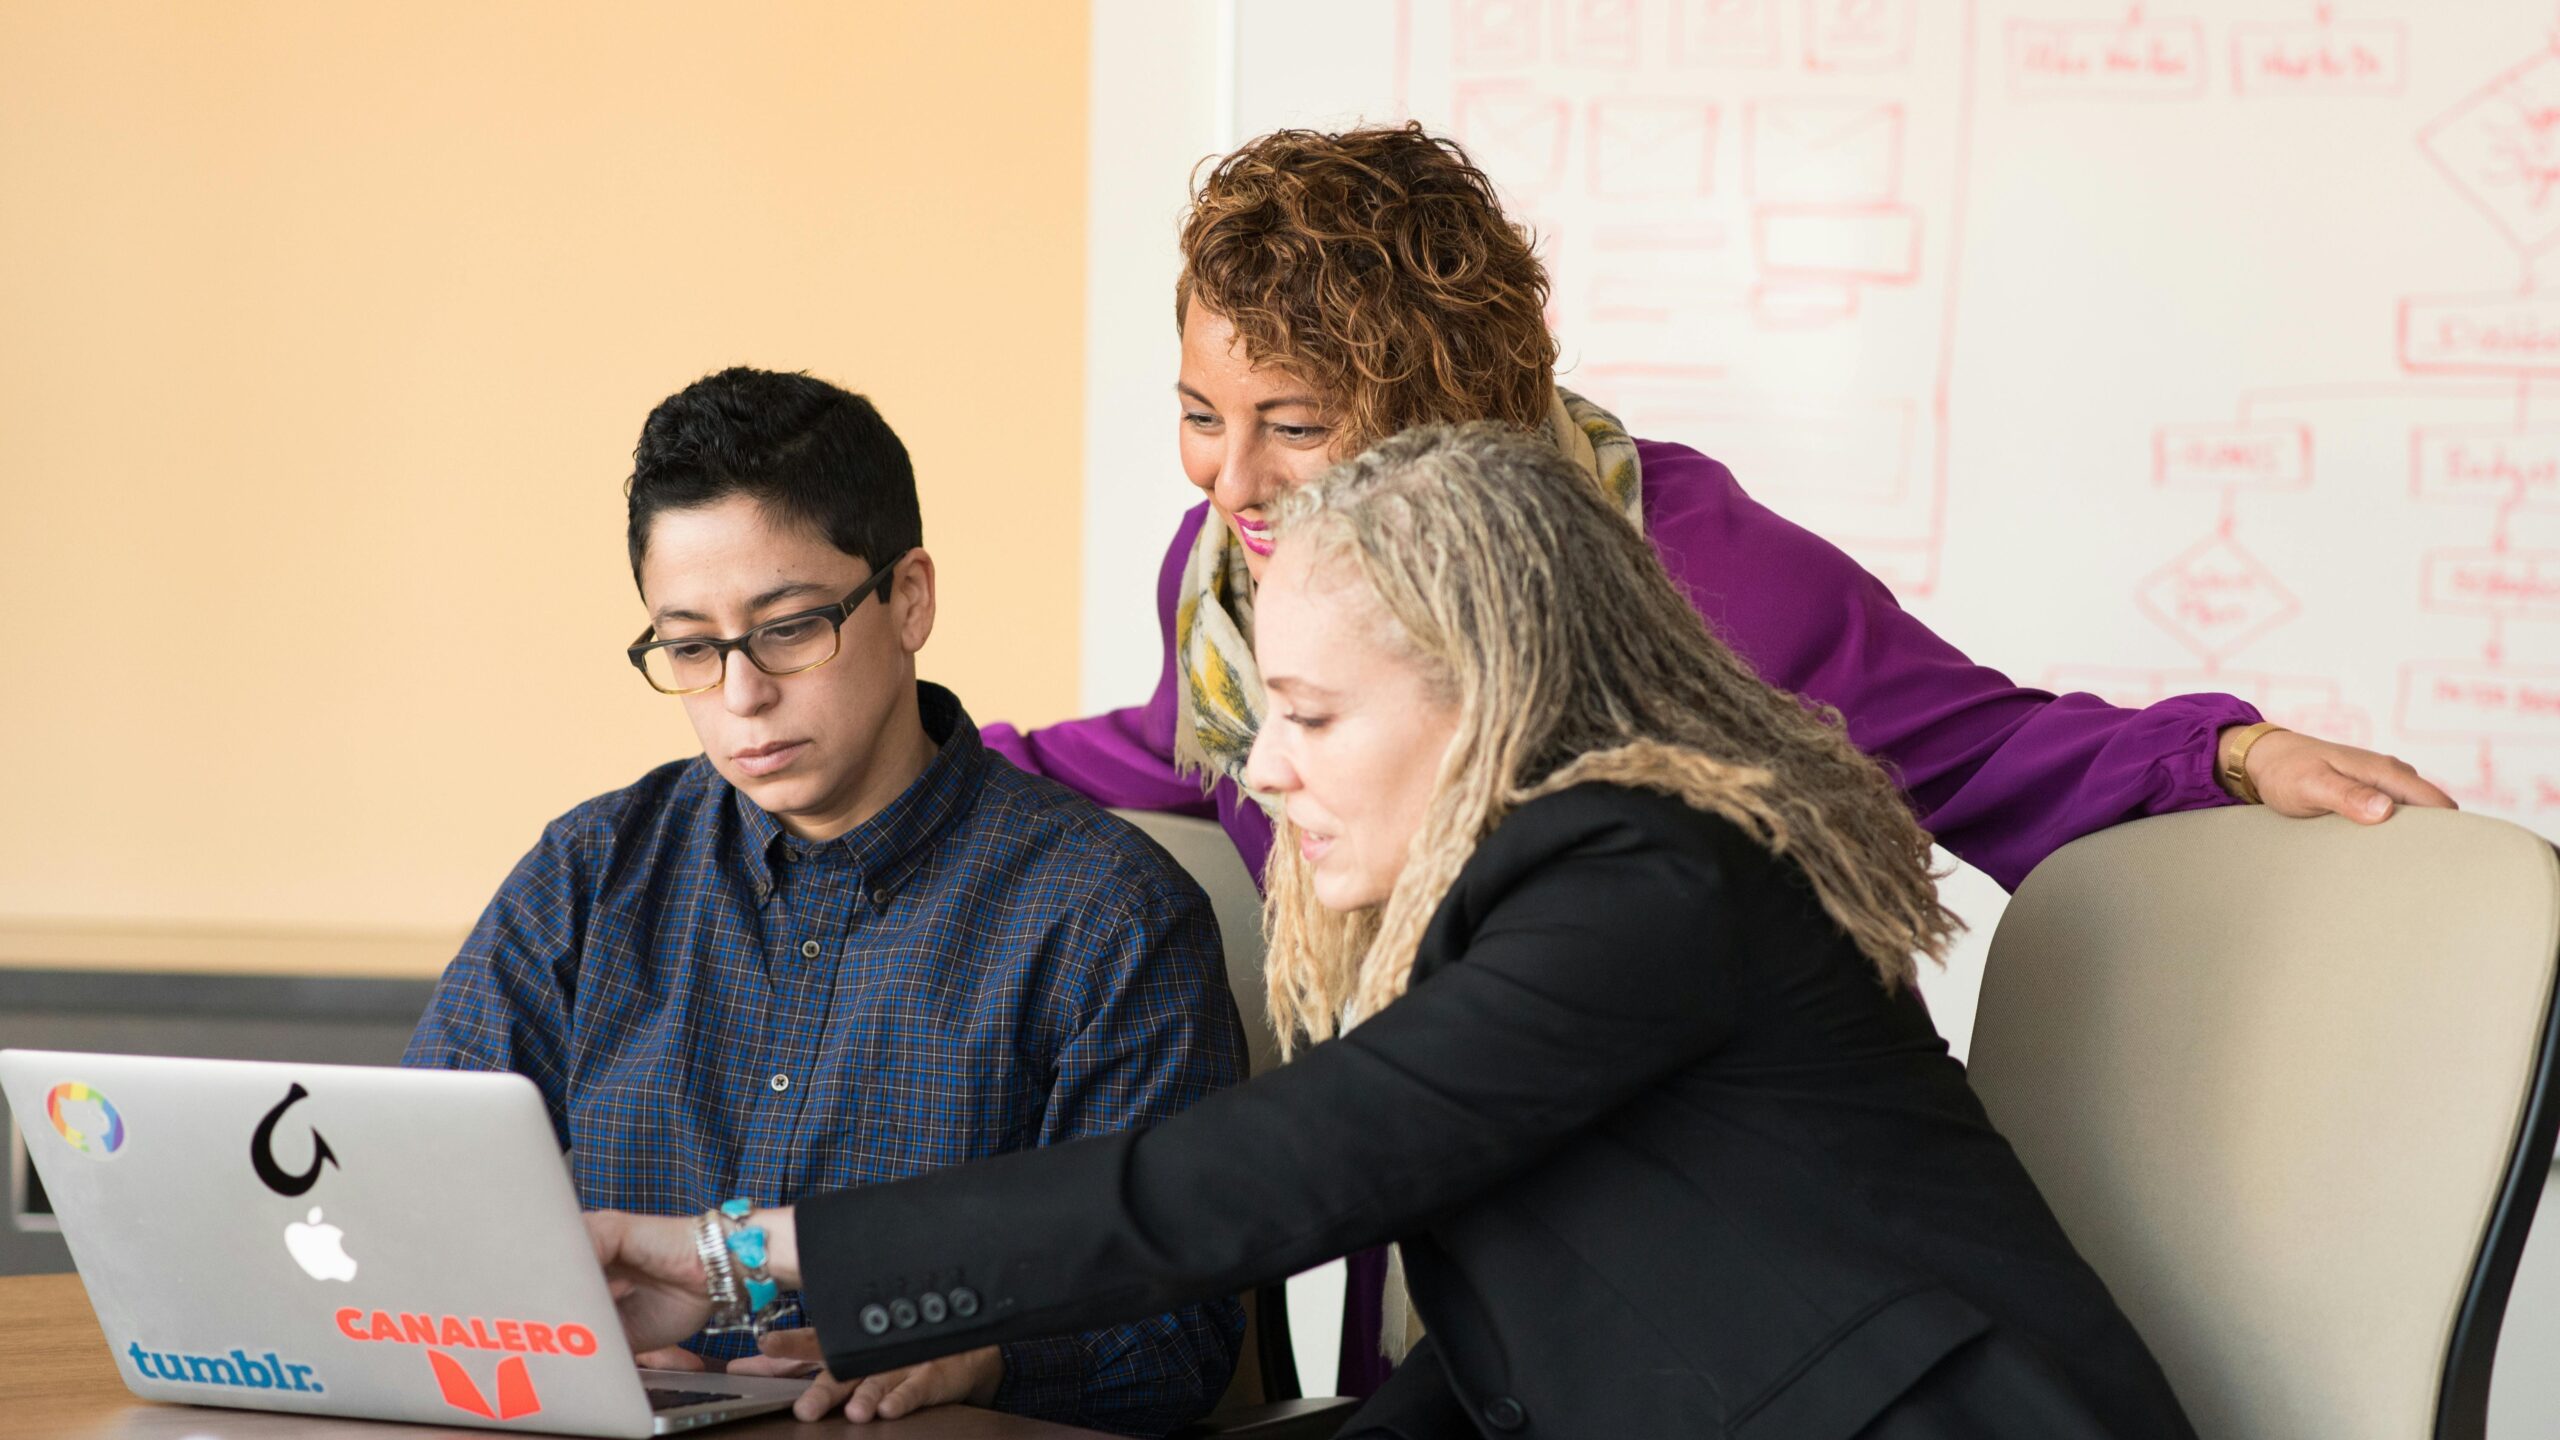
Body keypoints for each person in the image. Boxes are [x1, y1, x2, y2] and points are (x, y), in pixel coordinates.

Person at [976, 124, 2454, 1389]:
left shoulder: (1697, 566)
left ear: (1440, 411)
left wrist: (2233, 756)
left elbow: (1979, 747)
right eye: (1196, 415)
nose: (1232, 479)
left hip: (1716, 1278)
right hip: (1480, 1265)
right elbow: (1192, 754)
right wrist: (928, 762)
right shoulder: (1236, 579)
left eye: (1292, 425)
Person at [590, 423, 2203, 1438]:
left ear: (1485, 690)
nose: (1262, 772)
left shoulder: (1647, 882)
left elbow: (1261, 1177)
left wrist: (731, 1255)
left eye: (1303, 714)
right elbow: (1524, 1356)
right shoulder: (1542, 896)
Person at [405, 367, 1247, 1436]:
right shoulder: (591, 874)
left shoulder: (1106, 916)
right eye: (689, 647)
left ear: (909, 599)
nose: (742, 693)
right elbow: (418, 1201)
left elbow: (1178, 1338)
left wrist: (986, 1358)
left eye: (789, 627)